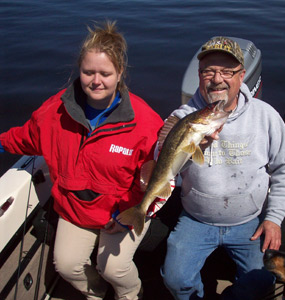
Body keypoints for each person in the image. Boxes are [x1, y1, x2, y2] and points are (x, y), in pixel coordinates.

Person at [0, 21, 163, 300]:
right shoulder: (54, 112)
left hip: (124, 209)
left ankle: (130, 294)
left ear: (120, 73)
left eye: (105, 73)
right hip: (76, 208)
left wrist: (126, 216)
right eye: (88, 72)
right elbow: (26, 138)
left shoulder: (146, 123)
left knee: (114, 268)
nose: (96, 81)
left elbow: (158, 179)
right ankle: (96, 293)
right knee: (66, 264)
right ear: (80, 71)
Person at [161, 37, 285, 300]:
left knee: (262, 283)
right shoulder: (182, 118)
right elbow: (162, 161)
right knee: (176, 280)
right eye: (209, 71)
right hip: (196, 219)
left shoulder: (265, 116)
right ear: (199, 75)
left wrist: (273, 219)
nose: (217, 79)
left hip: (249, 222)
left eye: (227, 71)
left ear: (242, 76)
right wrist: (190, 146)